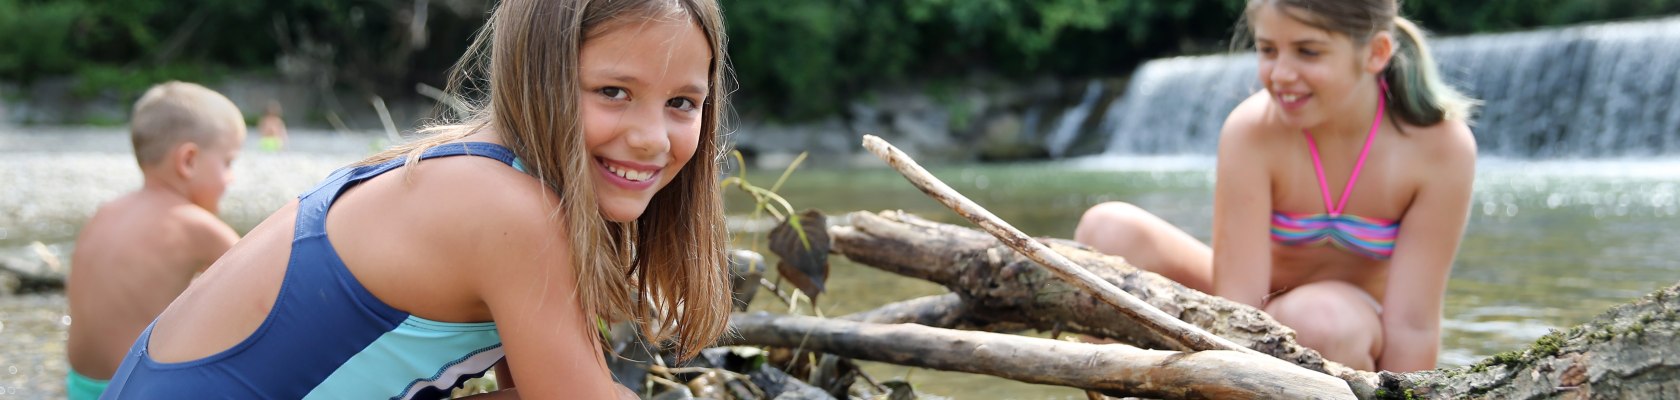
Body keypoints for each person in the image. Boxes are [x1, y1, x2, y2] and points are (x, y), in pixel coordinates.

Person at [99, 0, 732, 398]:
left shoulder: (477, 167)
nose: (651, 138)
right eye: (613, 91)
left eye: (682, 103)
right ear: (537, 74)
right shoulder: (509, 209)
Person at [1074, 0, 1477, 373]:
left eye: (1308, 51)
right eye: (1268, 50)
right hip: (1253, 305)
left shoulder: (1439, 148)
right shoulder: (1252, 131)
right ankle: (1106, 391)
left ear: (1376, 53)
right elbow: (1236, 305)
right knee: (1106, 230)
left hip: (1351, 324)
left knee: (1319, 319)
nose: (1281, 74)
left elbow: (1413, 324)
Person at [65, 81, 246, 400]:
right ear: (188, 161)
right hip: (139, 391)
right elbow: (265, 287)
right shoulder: (195, 225)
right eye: (228, 163)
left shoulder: (106, 212)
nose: (231, 177)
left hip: (80, 386)